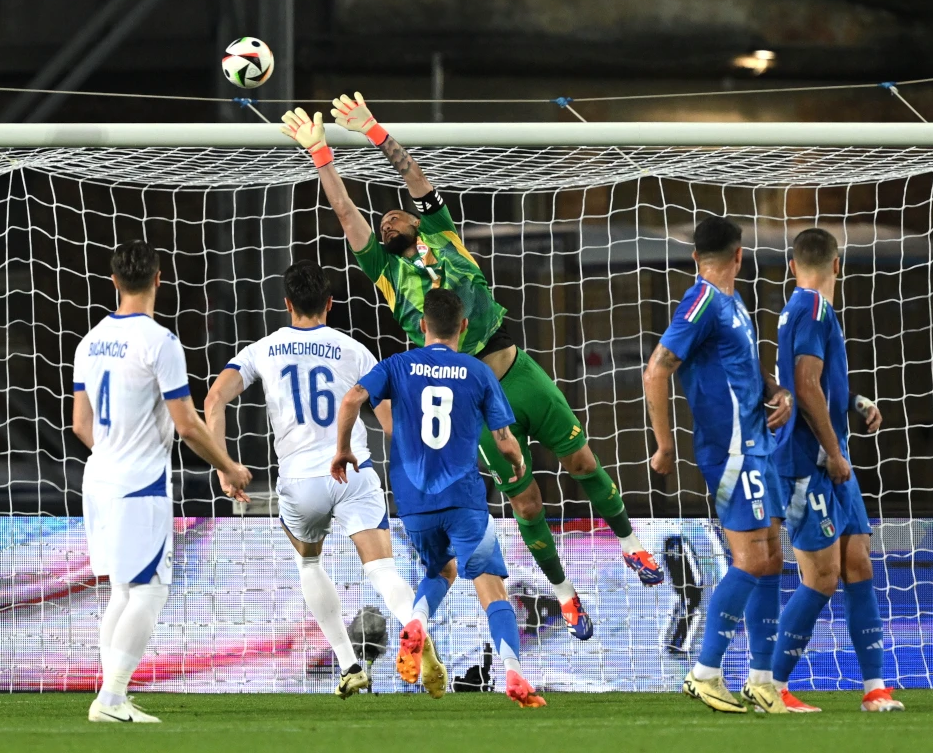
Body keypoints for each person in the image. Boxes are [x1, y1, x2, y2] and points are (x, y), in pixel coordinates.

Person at [282, 98, 661, 643]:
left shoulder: (442, 233)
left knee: (581, 459)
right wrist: (322, 156)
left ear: (418, 217)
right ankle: (565, 595)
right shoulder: (384, 271)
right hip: (471, 397)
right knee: (526, 501)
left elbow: (411, 172)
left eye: (396, 212)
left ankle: (630, 544)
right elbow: (345, 212)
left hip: (519, 372)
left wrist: (373, 132)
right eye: (382, 218)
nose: (387, 217)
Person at [204, 260, 445, 699]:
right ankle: (414, 626)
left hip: (300, 481)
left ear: (287, 303)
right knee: (382, 569)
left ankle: (349, 664)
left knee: (309, 563)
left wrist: (223, 464)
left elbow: (215, 397)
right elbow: (391, 422)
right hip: (352, 468)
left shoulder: (263, 348)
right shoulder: (353, 350)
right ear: (330, 304)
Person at [332, 289, 546, 708]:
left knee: (441, 570)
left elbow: (353, 398)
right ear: (463, 327)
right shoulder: (477, 371)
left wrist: (342, 448)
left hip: (414, 503)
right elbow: (504, 441)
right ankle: (514, 670)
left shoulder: (396, 365)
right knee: (492, 587)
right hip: (464, 499)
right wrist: (518, 461)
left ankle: (416, 620)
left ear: (423, 326)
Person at [72, 240, 251, 723]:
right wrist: (229, 467)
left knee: (123, 592)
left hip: (99, 478)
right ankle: (109, 698)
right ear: (157, 279)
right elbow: (188, 424)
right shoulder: (160, 342)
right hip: (139, 484)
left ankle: (111, 694)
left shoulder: (89, 341)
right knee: (148, 591)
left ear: (114, 282)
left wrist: (113, 452)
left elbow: (79, 424)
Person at [642, 216, 793, 714]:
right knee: (750, 561)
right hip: (730, 451)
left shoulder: (734, 305)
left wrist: (775, 392)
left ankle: (763, 680)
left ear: (695, 256)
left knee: (771, 558)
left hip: (758, 445)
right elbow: (657, 370)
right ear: (740, 255)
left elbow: (745, 369)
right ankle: (704, 673)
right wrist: (665, 445)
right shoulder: (703, 301)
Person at [770, 227, 903, 713]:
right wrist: (834, 451)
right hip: (811, 464)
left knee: (858, 564)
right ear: (838, 265)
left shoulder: (806, 310)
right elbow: (805, 388)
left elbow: (814, 383)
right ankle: (772, 685)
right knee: (821, 579)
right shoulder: (810, 309)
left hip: (830, 457)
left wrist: (855, 403)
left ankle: (874, 688)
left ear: (792, 264)